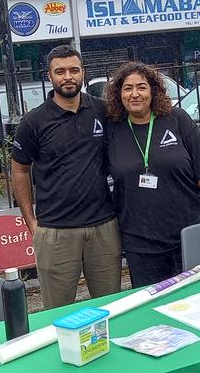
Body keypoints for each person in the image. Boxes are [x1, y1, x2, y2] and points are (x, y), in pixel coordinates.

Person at [10, 45, 122, 309]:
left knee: (110, 309)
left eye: (73, 70)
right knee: (57, 317)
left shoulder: (103, 112)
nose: (67, 77)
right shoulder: (33, 122)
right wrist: (31, 223)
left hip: (103, 228)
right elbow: (20, 170)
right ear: (50, 76)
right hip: (55, 232)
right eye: (60, 71)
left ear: (83, 72)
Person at [105, 61, 200, 287]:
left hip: (186, 233)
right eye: (127, 88)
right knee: (152, 308)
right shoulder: (113, 129)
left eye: (142, 87)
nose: (135, 94)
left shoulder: (177, 119)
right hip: (140, 241)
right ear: (119, 94)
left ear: (153, 90)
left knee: (197, 300)